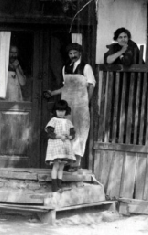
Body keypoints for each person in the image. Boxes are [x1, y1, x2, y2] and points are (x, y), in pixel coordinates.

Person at [43, 43, 95, 171]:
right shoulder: (65, 68)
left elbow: (91, 85)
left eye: (75, 53)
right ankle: (66, 161)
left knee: (80, 131)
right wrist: (52, 93)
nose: (72, 55)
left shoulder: (86, 67)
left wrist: (87, 102)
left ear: (80, 53)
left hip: (81, 105)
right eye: (70, 53)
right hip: (68, 105)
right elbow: (65, 88)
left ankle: (76, 163)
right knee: (66, 131)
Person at [45, 100, 76, 192]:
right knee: (56, 166)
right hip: (56, 146)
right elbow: (49, 134)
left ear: (66, 111)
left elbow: (73, 134)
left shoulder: (68, 122)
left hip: (65, 147)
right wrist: (59, 136)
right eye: (59, 110)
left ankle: (59, 185)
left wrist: (70, 136)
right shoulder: (53, 120)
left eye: (63, 111)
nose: (61, 113)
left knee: (61, 166)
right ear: (55, 111)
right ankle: (54, 187)